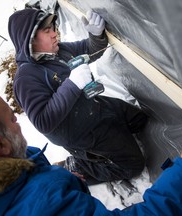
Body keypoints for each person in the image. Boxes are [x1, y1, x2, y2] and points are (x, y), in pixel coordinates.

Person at [0, 90, 182, 215]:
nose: (18, 122)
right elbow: (44, 120)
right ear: (1, 147)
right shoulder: (45, 205)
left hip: (82, 126)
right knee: (130, 164)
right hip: (75, 130)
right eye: (12, 119)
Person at [8, 8, 149, 185]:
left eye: (53, 28)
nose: (54, 34)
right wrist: (73, 84)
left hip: (96, 106)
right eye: (47, 31)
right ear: (29, 39)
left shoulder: (58, 51)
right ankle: (77, 166)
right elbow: (43, 121)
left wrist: (96, 36)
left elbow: (88, 50)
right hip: (82, 133)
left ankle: (114, 141)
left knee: (140, 120)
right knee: (134, 165)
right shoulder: (26, 79)